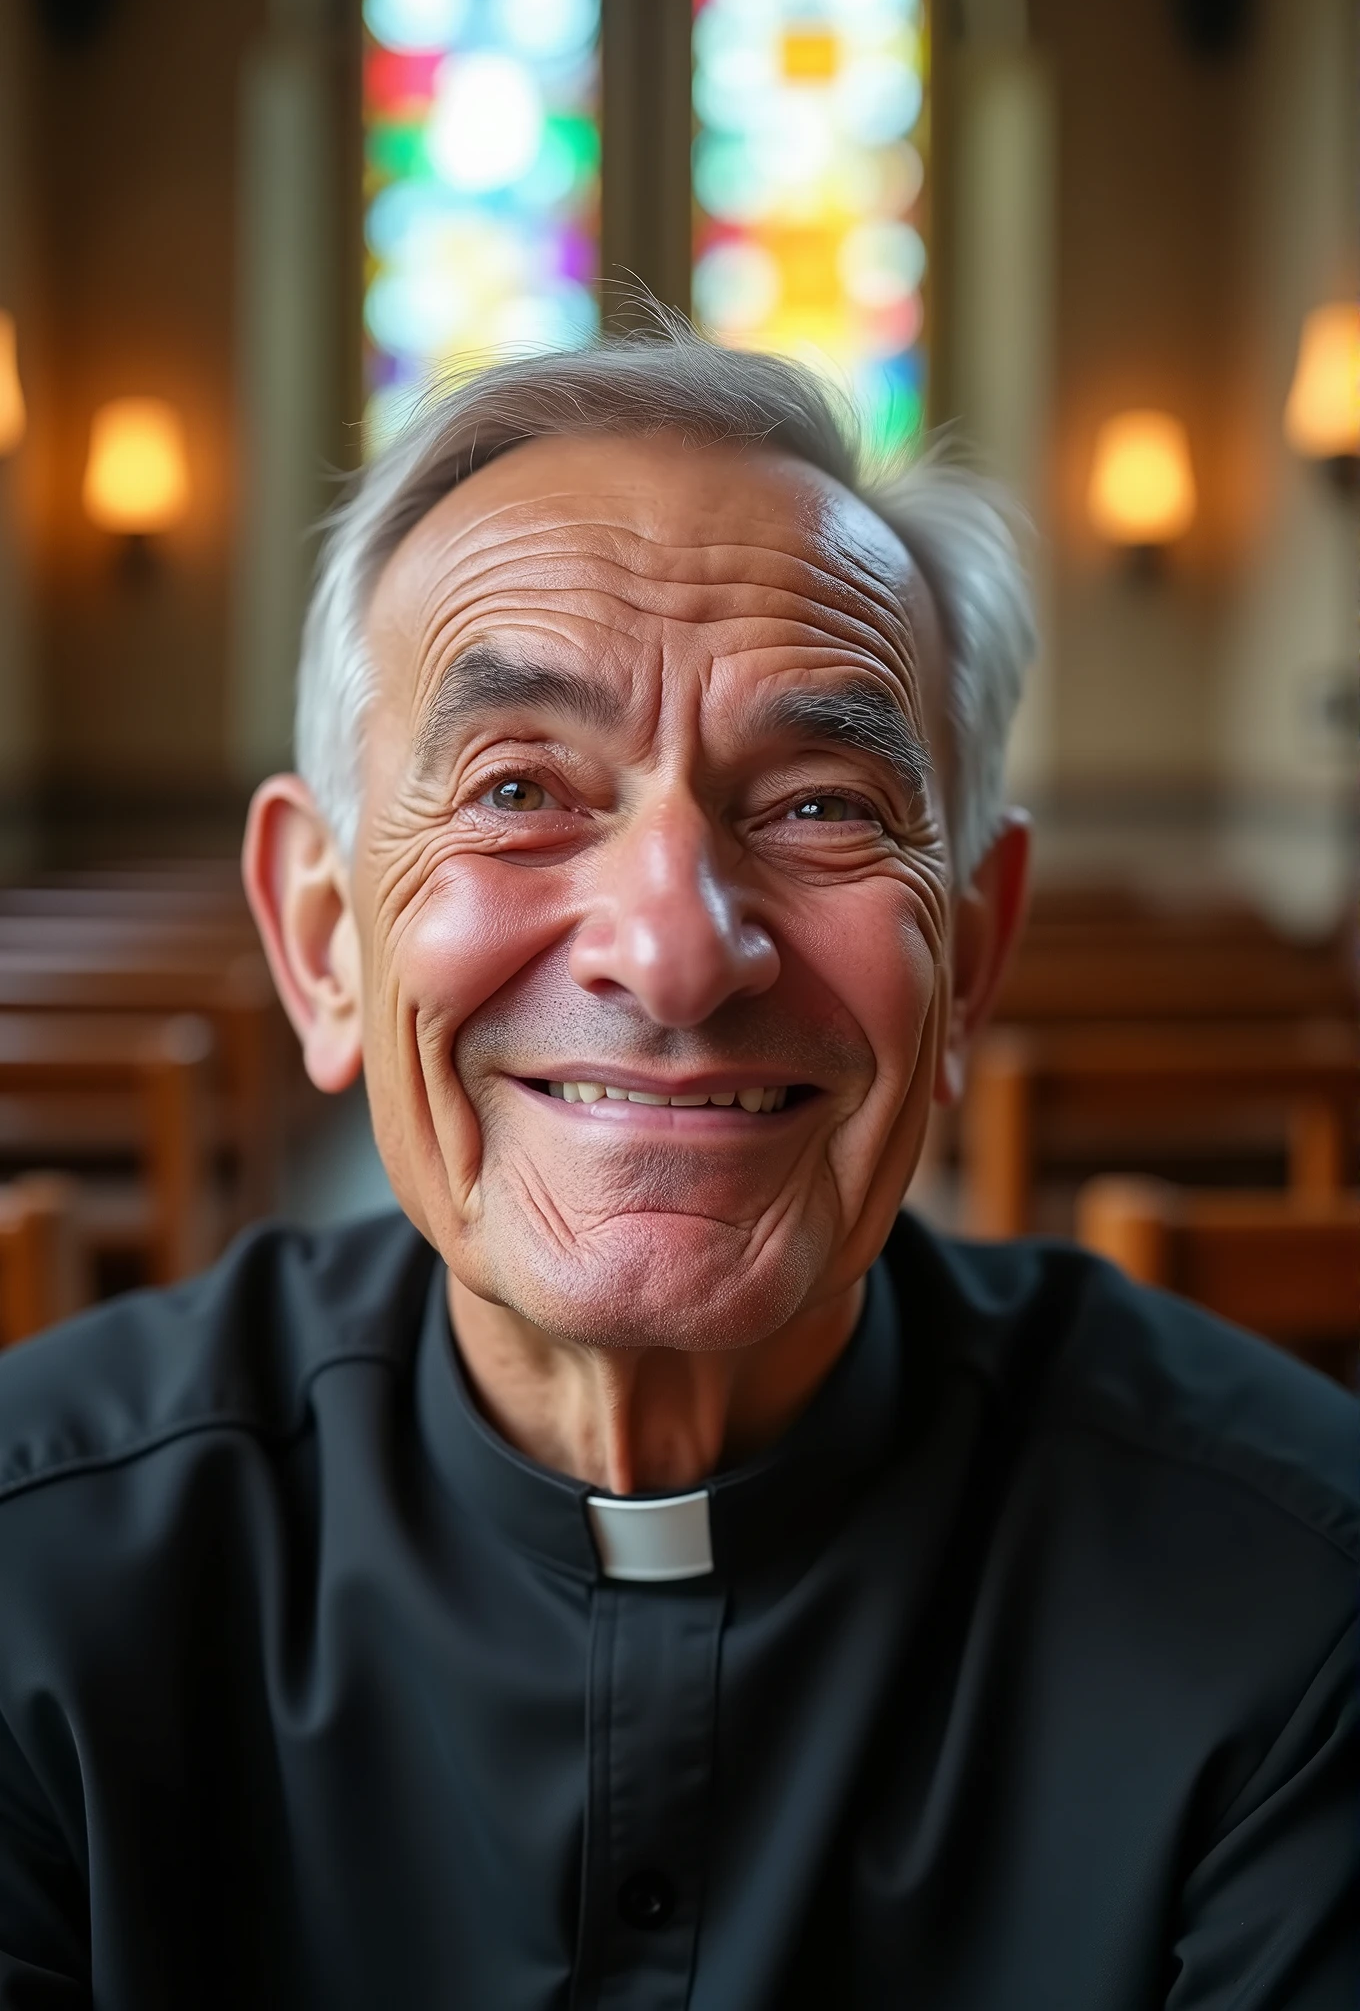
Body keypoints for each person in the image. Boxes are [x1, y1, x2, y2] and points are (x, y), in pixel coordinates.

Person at [0, 330, 1354, 2011]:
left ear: (969, 964)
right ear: (324, 937)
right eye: (517, 789)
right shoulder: (32, 1569)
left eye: (819, 805)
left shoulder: (1308, 1594)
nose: (674, 951)